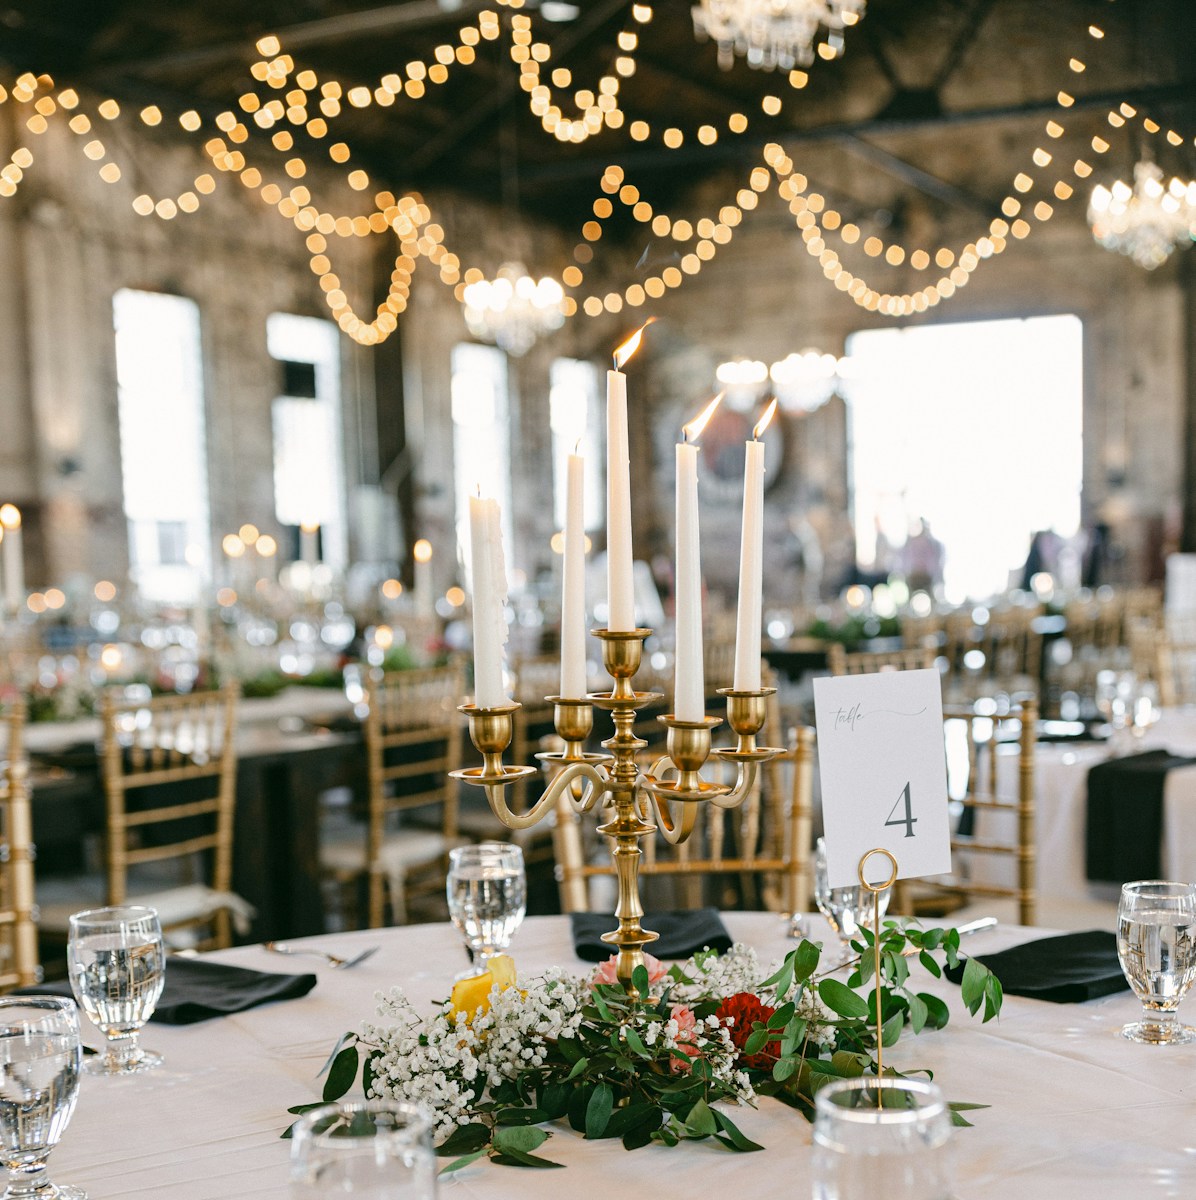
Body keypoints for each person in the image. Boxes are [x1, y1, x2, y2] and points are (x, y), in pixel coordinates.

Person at [898, 518, 945, 594]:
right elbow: (904, 562)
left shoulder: (931, 544)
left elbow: (934, 562)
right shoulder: (908, 544)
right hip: (913, 577)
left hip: (927, 577)